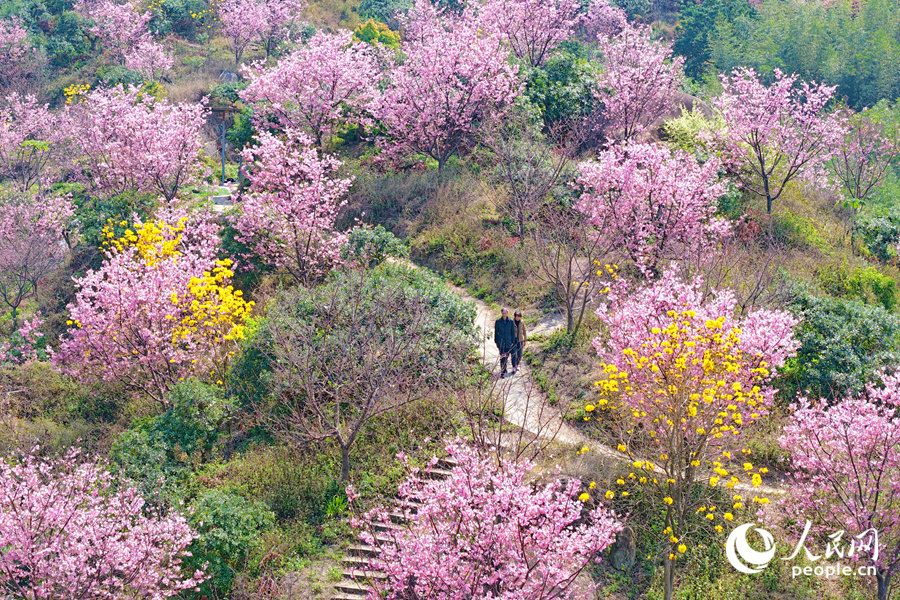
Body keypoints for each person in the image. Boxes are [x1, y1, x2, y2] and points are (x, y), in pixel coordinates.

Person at [494, 308, 515, 378]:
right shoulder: (498, 322)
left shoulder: (511, 321)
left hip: (508, 342)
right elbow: (496, 332)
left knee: (507, 356)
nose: (504, 314)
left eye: (505, 313)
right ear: (501, 313)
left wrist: (512, 341)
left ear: (507, 313)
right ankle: (502, 372)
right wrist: (496, 341)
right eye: (503, 313)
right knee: (502, 357)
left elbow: (512, 332)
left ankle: (505, 368)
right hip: (501, 342)